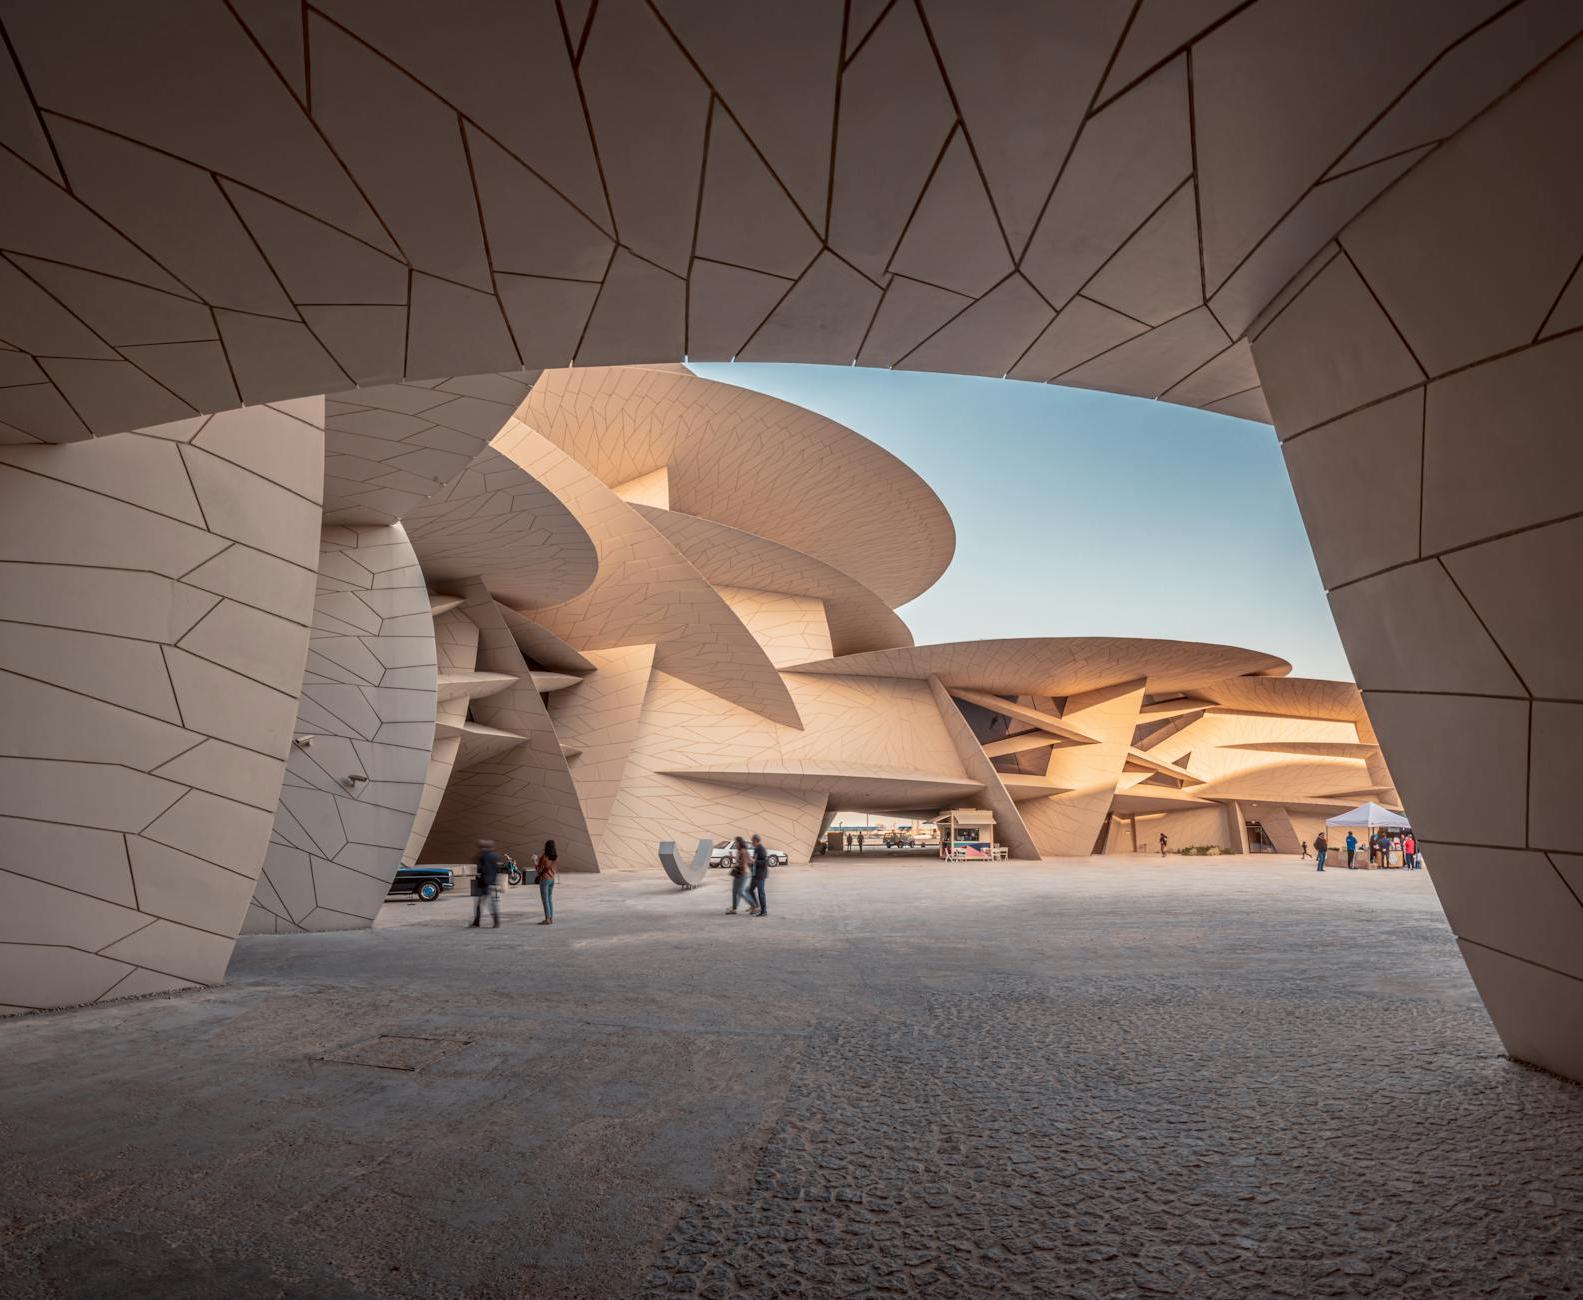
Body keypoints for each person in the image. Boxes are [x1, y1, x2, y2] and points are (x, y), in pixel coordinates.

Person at [471, 838, 504, 927]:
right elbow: (498, 870)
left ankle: (477, 921)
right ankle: (496, 921)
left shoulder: (482, 856)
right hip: (492, 881)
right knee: (491, 902)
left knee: (480, 903)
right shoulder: (496, 856)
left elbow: (481, 869)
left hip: (483, 882)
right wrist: (499, 882)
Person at [725, 835, 751, 914]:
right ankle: (734, 909)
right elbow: (741, 861)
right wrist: (732, 857)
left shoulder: (743, 851)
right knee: (735, 891)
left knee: (740, 892)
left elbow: (744, 862)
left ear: (740, 843)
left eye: (736, 842)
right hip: (738, 873)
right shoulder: (739, 851)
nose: (735, 844)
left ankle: (754, 905)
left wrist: (741, 870)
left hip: (742, 874)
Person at [535, 839, 558, 923]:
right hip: (552, 879)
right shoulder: (556, 857)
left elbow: (538, 870)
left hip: (544, 880)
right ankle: (551, 918)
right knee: (550, 899)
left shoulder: (544, 857)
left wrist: (534, 862)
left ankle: (547, 919)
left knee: (545, 900)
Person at [748, 832, 769, 917]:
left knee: (761, 893)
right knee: (749, 890)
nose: (751, 842)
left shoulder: (761, 849)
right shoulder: (756, 848)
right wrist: (751, 862)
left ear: (756, 840)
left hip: (760, 875)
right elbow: (755, 860)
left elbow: (765, 862)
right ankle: (756, 906)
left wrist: (755, 861)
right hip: (755, 874)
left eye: (752, 841)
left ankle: (764, 911)